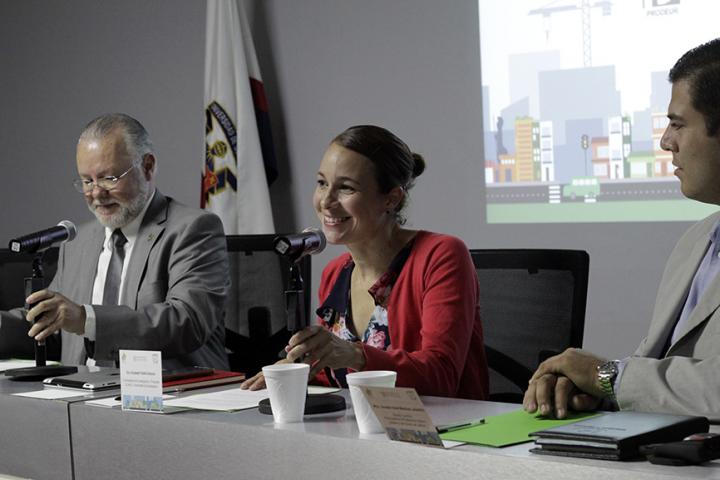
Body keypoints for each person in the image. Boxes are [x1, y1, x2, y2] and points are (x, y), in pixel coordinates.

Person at [524, 38, 720, 422]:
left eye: (678, 124)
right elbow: (659, 370)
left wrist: (608, 377)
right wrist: (599, 390)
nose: (666, 142)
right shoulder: (695, 243)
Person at [244, 125, 488, 399]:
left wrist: (354, 355)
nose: (326, 201)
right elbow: (337, 371)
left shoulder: (441, 255)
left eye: (346, 188)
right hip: (356, 433)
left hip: (441, 433)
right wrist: (296, 369)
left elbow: (441, 378)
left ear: (391, 199)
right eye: (322, 183)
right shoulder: (335, 272)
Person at [0, 113, 230, 369]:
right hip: (81, 394)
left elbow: (187, 321)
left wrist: (85, 318)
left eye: (109, 178)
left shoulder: (193, 229)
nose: (96, 193)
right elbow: (54, 328)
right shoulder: (78, 242)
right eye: (87, 181)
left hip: (168, 394)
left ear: (148, 167)